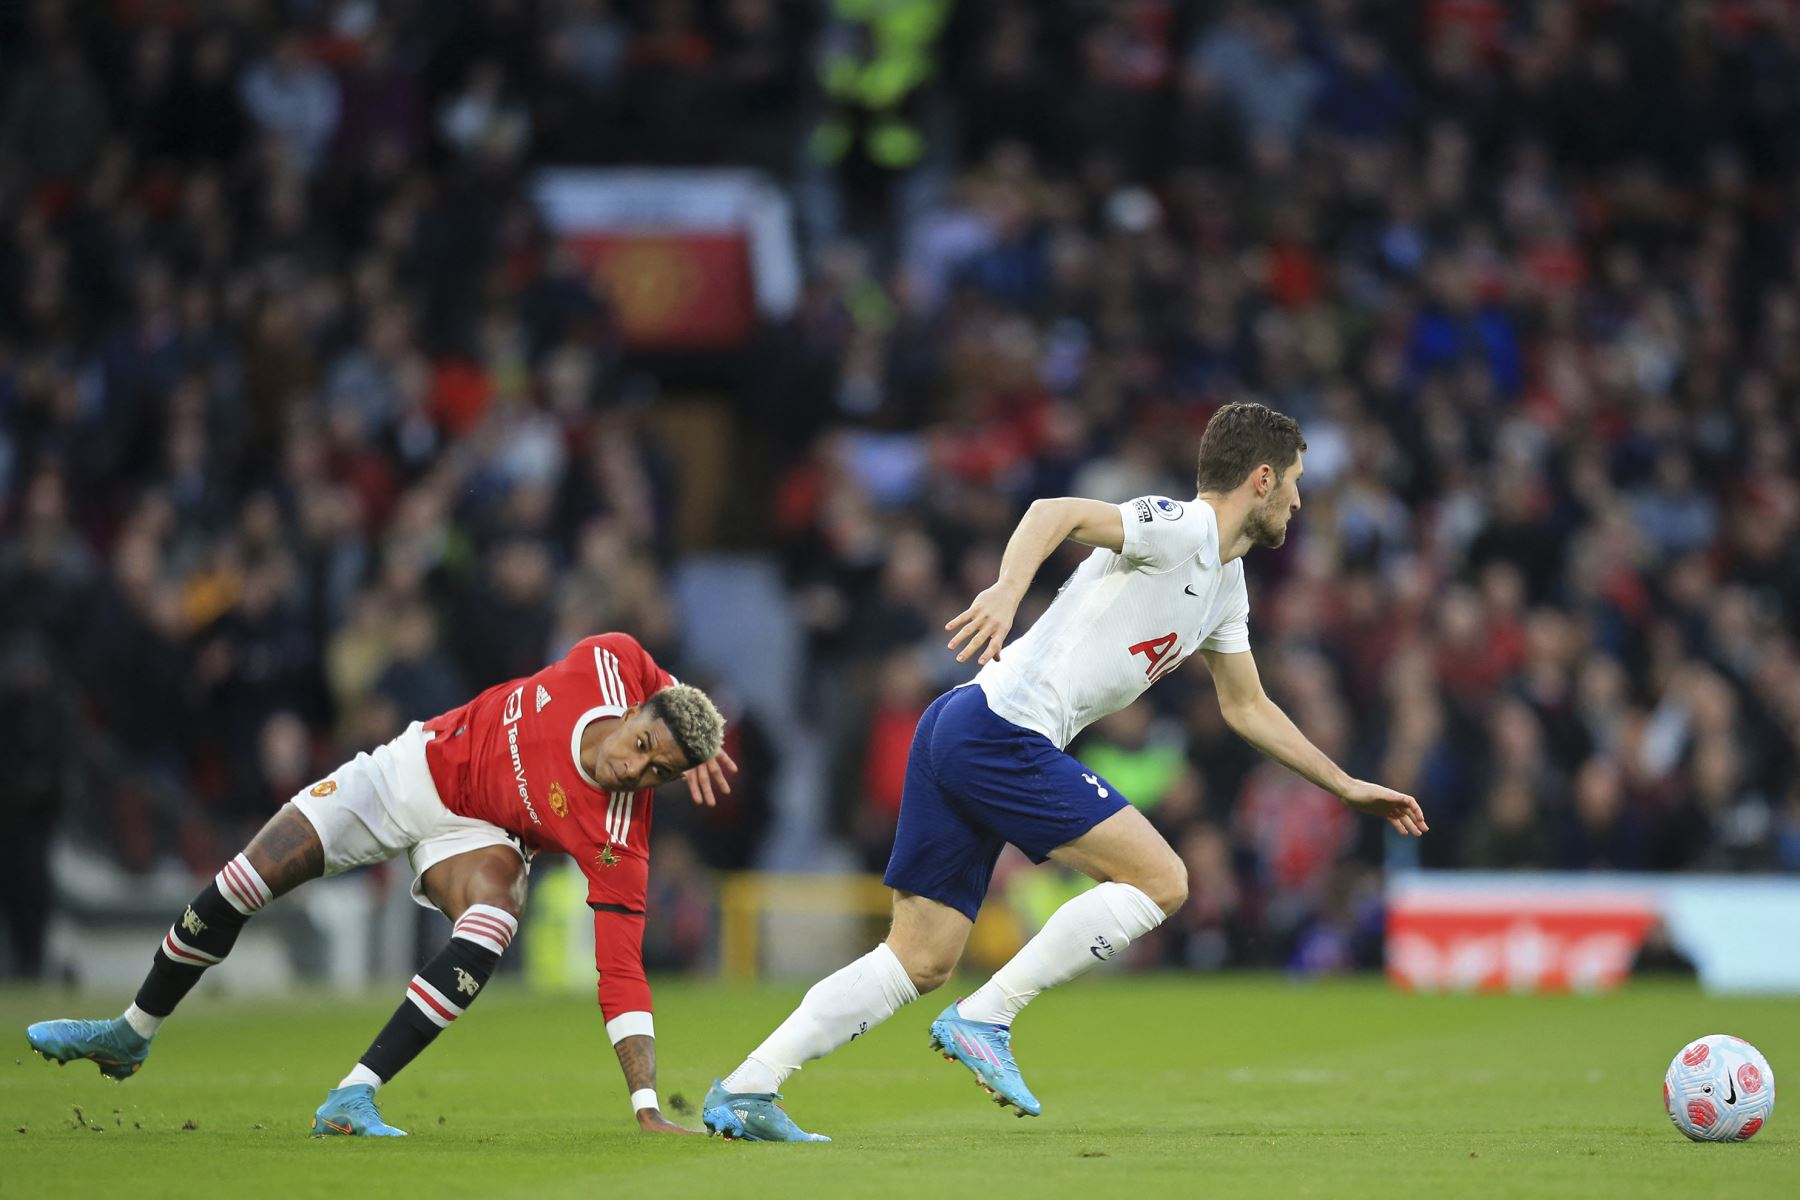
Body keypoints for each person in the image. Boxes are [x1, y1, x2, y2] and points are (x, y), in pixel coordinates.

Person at [703, 402, 1428, 1141]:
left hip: (963, 726)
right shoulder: (1182, 528)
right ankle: (990, 1015)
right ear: (1263, 479)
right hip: (1000, 731)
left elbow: (1247, 707)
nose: (1301, 501)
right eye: (1296, 482)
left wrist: (1343, 784)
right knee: (1163, 880)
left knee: (919, 961)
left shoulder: (1227, 584)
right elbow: (1053, 511)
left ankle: (748, 1086)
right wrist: (1007, 590)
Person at [26, 632, 734, 1138]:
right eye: (643, 746)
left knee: (495, 914)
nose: (633, 769)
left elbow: (621, 971)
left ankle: (353, 1096)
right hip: (409, 771)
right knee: (246, 879)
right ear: (638, 710)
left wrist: (646, 1101)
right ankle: (130, 1032)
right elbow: (654, 669)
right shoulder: (608, 662)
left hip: (476, 838)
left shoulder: (619, 838)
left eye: (658, 774)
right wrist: (682, 708)